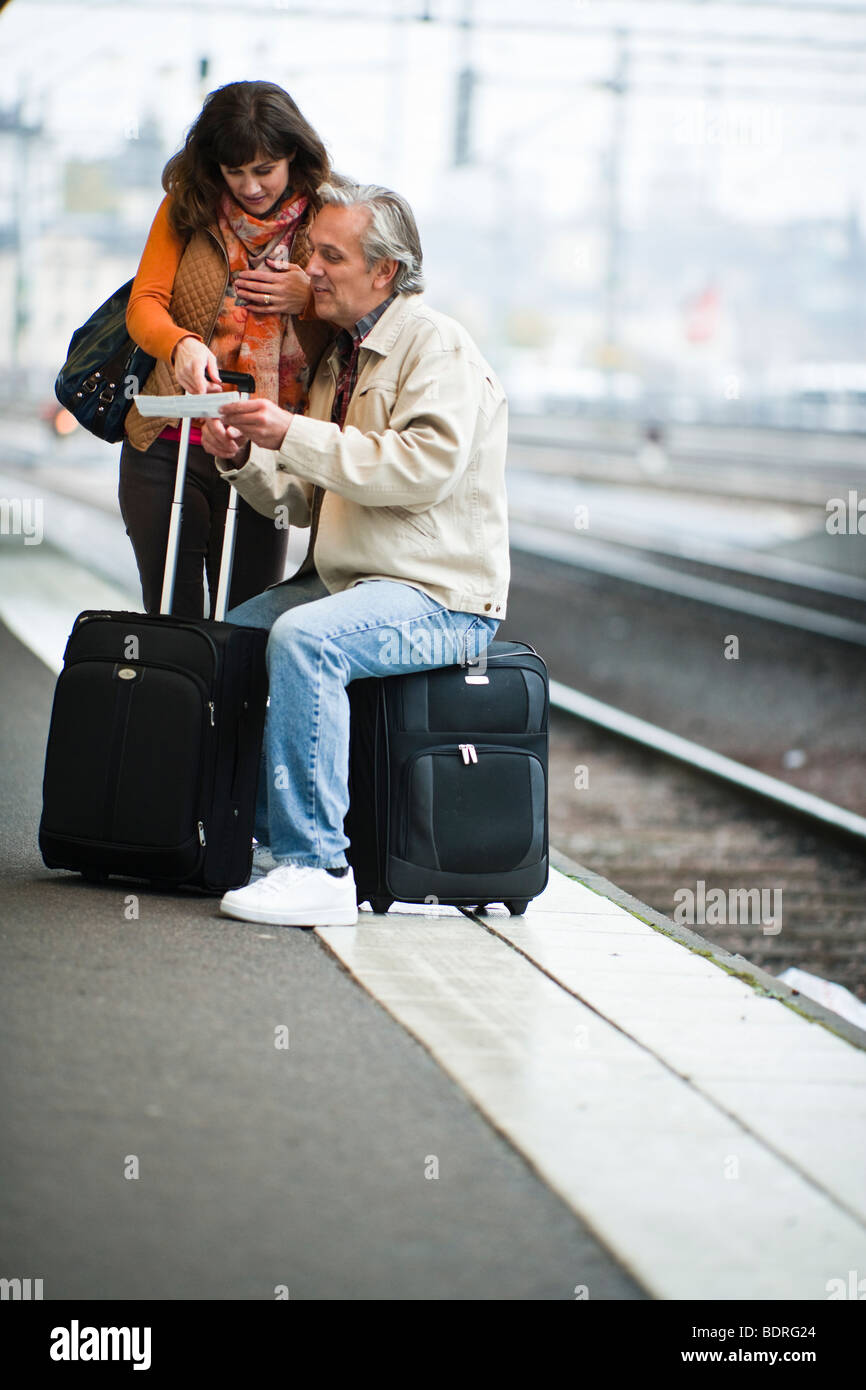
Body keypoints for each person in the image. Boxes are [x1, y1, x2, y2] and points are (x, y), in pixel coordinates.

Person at [199, 179, 510, 928]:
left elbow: (421, 468)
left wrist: (290, 432)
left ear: (385, 272)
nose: (311, 272)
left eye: (330, 257)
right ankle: (254, 841)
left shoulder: (436, 346)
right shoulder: (341, 360)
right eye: (312, 254)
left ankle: (317, 868)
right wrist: (244, 456)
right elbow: (310, 496)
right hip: (354, 581)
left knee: (305, 640)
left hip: (440, 594)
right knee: (228, 643)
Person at [120, 80, 333, 617]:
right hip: (168, 444)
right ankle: (178, 704)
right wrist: (181, 345)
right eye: (235, 172)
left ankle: (234, 706)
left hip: (265, 451)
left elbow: (362, 314)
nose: (250, 186)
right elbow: (144, 303)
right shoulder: (186, 205)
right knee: (173, 617)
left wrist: (308, 296)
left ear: (294, 156)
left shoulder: (327, 220)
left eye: (265, 169)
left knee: (249, 622)